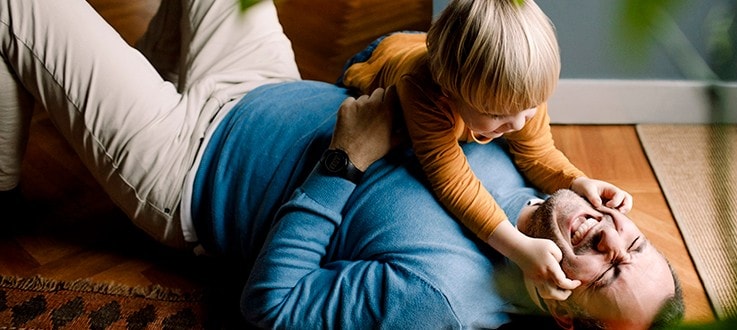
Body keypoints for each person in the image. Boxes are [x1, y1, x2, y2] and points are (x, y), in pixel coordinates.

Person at [0, 0, 683, 328]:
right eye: (636, 242)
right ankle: (141, 75)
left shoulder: (439, 299)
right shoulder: (532, 165)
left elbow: (271, 309)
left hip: (189, 163)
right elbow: (433, 77)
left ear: (567, 310)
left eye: (609, 269)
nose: (611, 235)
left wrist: (343, 163)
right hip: (262, 81)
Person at [340, 0, 632, 302]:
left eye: (529, 109)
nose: (517, 123)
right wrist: (518, 248)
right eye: (495, 114)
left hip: (433, 49)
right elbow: (453, 182)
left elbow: (537, 154)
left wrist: (577, 182)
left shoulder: (520, 91)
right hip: (384, 57)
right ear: (448, 93)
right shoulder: (423, 91)